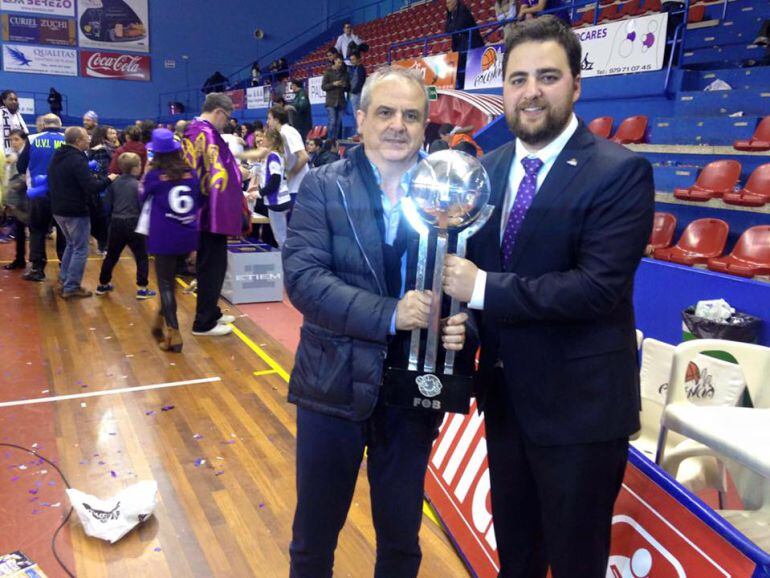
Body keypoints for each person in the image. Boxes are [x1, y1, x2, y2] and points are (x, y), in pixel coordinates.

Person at [441, 17, 655, 577]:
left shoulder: (620, 171)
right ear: (503, 89)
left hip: (581, 413)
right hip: (507, 402)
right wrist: (462, 320)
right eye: (517, 79)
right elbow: (473, 279)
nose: (530, 91)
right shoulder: (483, 173)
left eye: (547, 76)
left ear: (576, 86)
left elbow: (597, 289)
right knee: (517, 557)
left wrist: (480, 289)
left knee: (576, 562)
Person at [282, 65, 470, 578]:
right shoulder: (323, 186)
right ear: (360, 119)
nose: (397, 126)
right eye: (385, 112)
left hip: (412, 390)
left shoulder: (451, 192)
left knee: (401, 539)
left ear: (426, 126)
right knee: (314, 537)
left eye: (411, 115)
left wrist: (462, 328)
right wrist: (389, 314)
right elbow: (303, 279)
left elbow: (469, 283)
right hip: (332, 383)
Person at [182, 92, 245, 337]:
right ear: (219, 112)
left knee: (212, 263)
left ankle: (211, 310)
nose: (226, 123)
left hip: (200, 208)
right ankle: (204, 321)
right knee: (212, 265)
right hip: (209, 212)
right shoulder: (206, 134)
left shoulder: (193, 130)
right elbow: (220, 174)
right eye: (226, 118)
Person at [142, 129, 201, 352]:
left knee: (165, 284)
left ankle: (174, 333)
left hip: (163, 235)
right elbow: (200, 200)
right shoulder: (191, 173)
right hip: (187, 233)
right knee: (172, 281)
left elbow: (142, 198)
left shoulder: (155, 176)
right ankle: (158, 322)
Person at [48, 127, 115, 299]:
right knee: (80, 249)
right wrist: (108, 179)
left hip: (58, 209)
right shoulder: (77, 160)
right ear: (78, 141)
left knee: (71, 244)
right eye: (86, 138)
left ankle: (64, 279)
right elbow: (91, 187)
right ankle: (72, 286)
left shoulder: (58, 155)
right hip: (74, 211)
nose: (89, 140)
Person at [96, 152, 155, 300]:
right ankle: (142, 288)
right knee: (141, 256)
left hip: (116, 222)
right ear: (136, 168)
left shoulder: (114, 183)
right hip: (135, 222)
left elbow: (106, 206)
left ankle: (103, 284)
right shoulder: (139, 186)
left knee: (111, 255)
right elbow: (143, 206)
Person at [18, 116, 67, 282]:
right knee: (63, 232)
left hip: (38, 193)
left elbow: (20, 166)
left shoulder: (32, 139)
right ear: (60, 126)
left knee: (37, 230)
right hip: (63, 194)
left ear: (43, 125)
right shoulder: (68, 140)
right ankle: (65, 268)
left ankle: (38, 269)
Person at [247, 128, 291, 248]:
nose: (262, 139)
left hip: (276, 201)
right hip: (277, 200)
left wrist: (259, 193)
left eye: (265, 137)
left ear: (271, 140)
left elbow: (275, 181)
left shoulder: (273, 156)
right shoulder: (272, 155)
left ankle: (285, 263)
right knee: (281, 236)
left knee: (281, 238)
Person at [266, 106, 309, 208]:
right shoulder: (280, 134)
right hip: (290, 187)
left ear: (276, 120)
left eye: (269, 118)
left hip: (298, 187)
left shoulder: (288, 132)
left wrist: (290, 174)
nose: (267, 122)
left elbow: (303, 156)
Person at [3, 130, 31, 271]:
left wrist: (16, 186)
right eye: (11, 140)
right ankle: (19, 259)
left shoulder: (27, 155)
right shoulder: (13, 156)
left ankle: (35, 263)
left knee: (33, 231)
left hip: (28, 199)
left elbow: (26, 177)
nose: (13, 142)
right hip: (18, 201)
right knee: (19, 232)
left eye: (16, 139)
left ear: (23, 140)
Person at [87, 126, 114, 254]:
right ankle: (103, 246)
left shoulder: (90, 150)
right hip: (102, 188)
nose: (114, 135)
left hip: (93, 187)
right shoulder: (102, 150)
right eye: (111, 133)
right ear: (103, 136)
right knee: (104, 218)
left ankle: (99, 243)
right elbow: (101, 169)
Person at [322, 55, 350, 140]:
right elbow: (323, 87)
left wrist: (345, 85)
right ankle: (329, 140)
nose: (340, 64)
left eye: (341, 62)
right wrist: (333, 84)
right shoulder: (328, 72)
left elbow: (348, 87)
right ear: (334, 61)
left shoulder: (344, 73)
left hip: (341, 101)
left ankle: (335, 141)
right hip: (331, 101)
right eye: (338, 62)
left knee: (338, 123)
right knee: (332, 121)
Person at [1, 91, 28, 156]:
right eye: (11, 99)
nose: (14, 101)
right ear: (4, 101)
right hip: (1, 155)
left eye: (15, 100)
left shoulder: (18, 115)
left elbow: (26, 133)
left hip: (15, 156)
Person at [347, 50, 367, 115]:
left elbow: (361, 82)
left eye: (353, 59)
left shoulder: (360, 68)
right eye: (351, 60)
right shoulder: (356, 68)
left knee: (358, 115)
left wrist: (353, 91)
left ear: (359, 59)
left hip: (357, 94)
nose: (352, 61)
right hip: (356, 93)